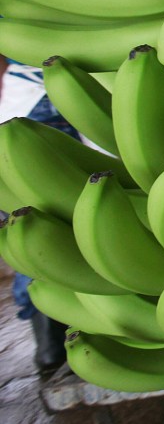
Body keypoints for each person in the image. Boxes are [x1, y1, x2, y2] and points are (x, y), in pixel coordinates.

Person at [0, 52, 71, 372]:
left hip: (25, 96)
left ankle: (50, 345)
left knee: (30, 223)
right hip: (57, 92)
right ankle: (54, 341)